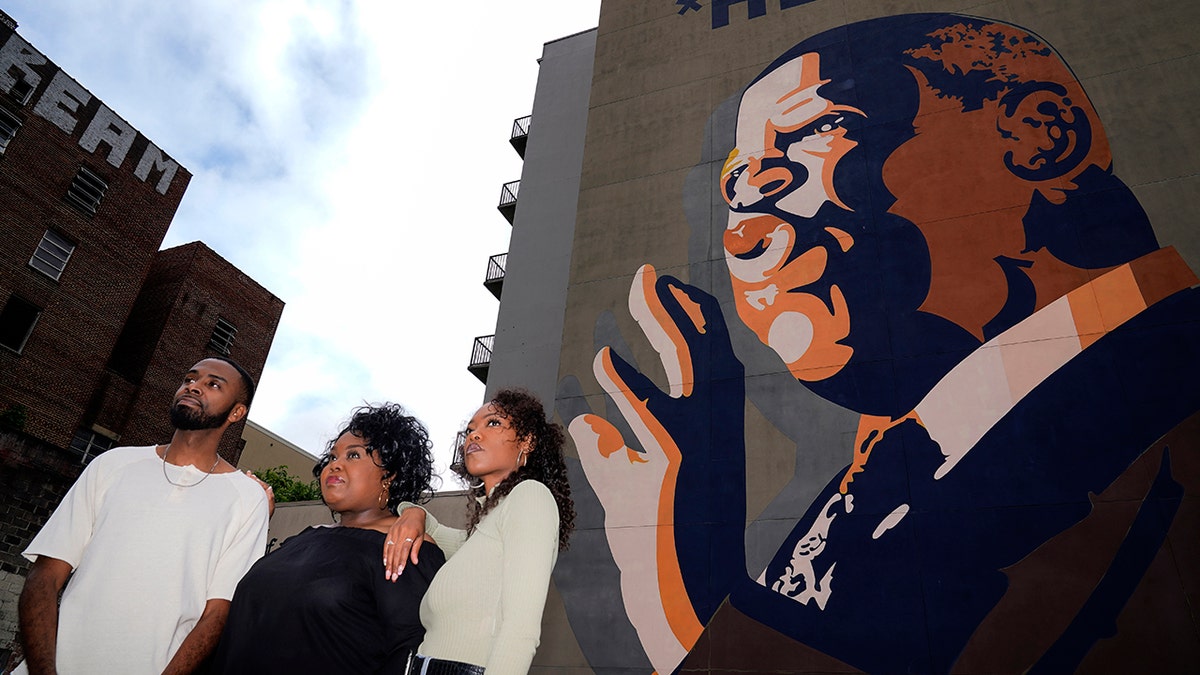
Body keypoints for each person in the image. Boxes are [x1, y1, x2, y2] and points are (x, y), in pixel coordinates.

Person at [566, 13, 1200, 675]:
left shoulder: (1165, 427)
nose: (745, 222)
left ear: (1042, 135)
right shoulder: (901, 459)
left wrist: (685, 579)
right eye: (735, 182)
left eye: (815, 133)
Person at [16, 357, 270, 675]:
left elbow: (217, 614)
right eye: (190, 378)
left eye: (213, 384)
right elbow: (45, 576)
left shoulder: (247, 499)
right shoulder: (112, 465)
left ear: (236, 412)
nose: (193, 386)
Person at [209, 403, 444, 675]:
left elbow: (408, 651)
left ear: (389, 475)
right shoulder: (301, 540)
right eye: (332, 458)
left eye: (353, 455)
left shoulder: (404, 546)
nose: (335, 465)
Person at [384, 389, 575, 675]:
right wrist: (415, 512)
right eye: (470, 429)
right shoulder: (484, 529)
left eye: (493, 423)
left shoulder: (530, 497)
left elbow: (521, 630)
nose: (473, 435)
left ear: (527, 441)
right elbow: (435, 531)